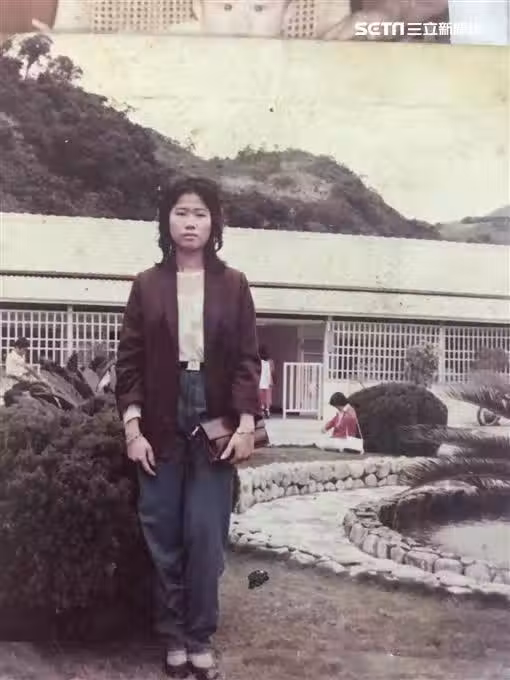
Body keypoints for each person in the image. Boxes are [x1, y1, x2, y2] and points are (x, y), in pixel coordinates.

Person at [115, 176, 261, 680]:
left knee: (204, 532)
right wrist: (133, 430)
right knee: (162, 529)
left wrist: (245, 424)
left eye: (200, 213)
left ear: (214, 222)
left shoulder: (234, 284)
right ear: (167, 221)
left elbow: (247, 359)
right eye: (181, 212)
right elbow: (129, 362)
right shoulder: (146, 284)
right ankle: (173, 637)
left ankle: (200, 637)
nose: (191, 222)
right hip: (160, 413)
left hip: (215, 414)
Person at [258, 344, 275, 417]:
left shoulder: (258, 361)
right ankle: (267, 409)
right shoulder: (270, 361)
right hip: (268, 380)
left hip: (260, 380)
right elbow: (272, 371)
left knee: (261, 395)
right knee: (268, 396)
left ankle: (262, 408)